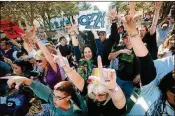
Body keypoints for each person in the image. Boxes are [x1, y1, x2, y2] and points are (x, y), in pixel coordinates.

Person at [118, 8, 174, 115]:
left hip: (149, 74)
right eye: (140, 30)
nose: (141, 32)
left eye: (143, 30)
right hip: (147, 78)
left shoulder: (149, 39)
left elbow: (146, 59)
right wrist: (132, 33)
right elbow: (142, 61)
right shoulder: (153, 92)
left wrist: (157, 12)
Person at [53, 48, 126, 116]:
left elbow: (119, 100)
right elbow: (78, 80)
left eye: (102, 94)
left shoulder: (114, 99)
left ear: (108, 92)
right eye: (94, 93)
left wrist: (113, 87)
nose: (97, 97)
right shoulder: (91, 91)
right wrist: (64, 66)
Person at [0, 77, 87, 116]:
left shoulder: (73, 113)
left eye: (58, 97)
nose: (54, 99)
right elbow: (39, 87)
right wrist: (24, 79)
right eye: (54, 94)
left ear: (68, 98)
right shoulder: (56, 99)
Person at [108, 32, 140, 99]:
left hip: (130, 82)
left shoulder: (138, 49)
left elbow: (146, 63)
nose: (128, 40)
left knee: (127, 96)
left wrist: (140, 74)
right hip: (118, 78)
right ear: (123, 39)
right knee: (114, 95)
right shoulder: (120, 48)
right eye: (126, 38)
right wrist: (121, 51)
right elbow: (109, 57)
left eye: (130, 37)